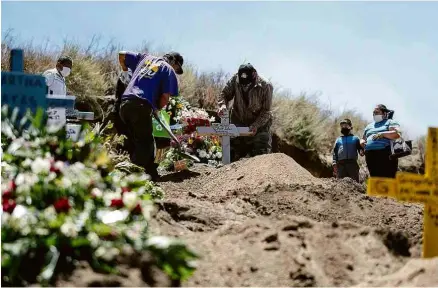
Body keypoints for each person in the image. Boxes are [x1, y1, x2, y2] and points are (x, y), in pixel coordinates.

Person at [118, 51, 183, 181]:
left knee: (138, 141)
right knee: (145, 144)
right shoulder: (168, 69)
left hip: (125, 105)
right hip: (140, 106)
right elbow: (165, 97)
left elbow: (122, 54)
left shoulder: (145, 58)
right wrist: (157, 108)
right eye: (177, 68)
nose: (175, 71)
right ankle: (130, 178)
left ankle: (149, 174)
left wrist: (125, 73)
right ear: (174, 62)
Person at [217, 63, 273, 161]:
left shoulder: (266, 86)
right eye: (242, 84)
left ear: (255, 75)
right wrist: (222, 105)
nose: (244, 87)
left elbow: (266, 111)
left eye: (247, 84)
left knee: (261, 157)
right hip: (238, 120)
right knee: (233, 153)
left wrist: (256, 125)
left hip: (259, 126)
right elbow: (224, 94)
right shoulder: (235, 79)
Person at [361, 104, 401, 178]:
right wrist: (362, 142)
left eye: (377, 112)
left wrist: (383, 134)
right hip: (370, 155)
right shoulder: (369, 126)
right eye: (373, 113)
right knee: (375, 179)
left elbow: (397, 134)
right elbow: (363, 138)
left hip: (385, 154)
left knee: (388, 178)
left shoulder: (390, 122)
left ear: (384, 113)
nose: (374, 114)